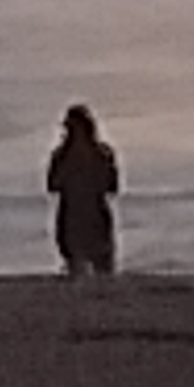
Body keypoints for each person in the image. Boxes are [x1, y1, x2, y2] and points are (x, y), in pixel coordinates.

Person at [46, 104, 119, 280]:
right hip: (81, 212)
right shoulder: (100, 154)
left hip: (83, 212)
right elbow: (112, 186)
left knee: (96, 264)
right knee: (87, 263)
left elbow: (53, 185)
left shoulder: (64, 156)